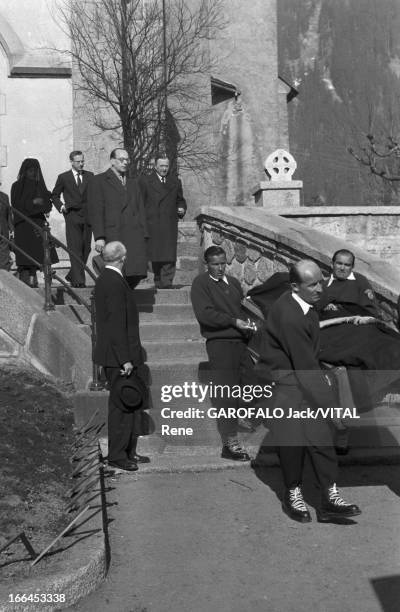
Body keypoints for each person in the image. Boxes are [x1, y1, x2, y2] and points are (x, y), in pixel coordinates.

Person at [258, 259, 361, 523]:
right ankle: (293, 494)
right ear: (295, 286)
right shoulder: (290, 316)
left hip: (302, 379)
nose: (319, 288)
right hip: (285, 386)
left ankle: (329, 498)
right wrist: (333, 408)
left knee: (320, 439)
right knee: (292, 443)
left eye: (320, 281)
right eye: (312, 284)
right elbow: (306, 369)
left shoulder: (304, 303)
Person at [190, 245, 254, 461]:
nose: (219, 268)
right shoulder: (202, 283)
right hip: (220, 343)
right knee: (226, 394)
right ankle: (230, 443)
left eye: (222, 263)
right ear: (207, 264)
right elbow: (205, 315)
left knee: (251, 384)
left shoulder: (234, 283)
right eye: (215, 264)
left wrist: (247, 321)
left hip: (241, 342)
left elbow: (242, 308)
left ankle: (240, 417)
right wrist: (232, 321)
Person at [94, 241, 150, 471]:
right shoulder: (114, 282)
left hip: (118, 354)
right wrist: (124, 358)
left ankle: (127, 451)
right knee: (122, 407)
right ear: (122, 258)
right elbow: (116, 324)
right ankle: (118, 455)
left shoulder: (108, 279)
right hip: (118, 357)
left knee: (128, 404)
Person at [88, 148, 148, 289]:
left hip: (134, 234)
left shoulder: (133, 183)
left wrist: (145, 233)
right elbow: (96, 211)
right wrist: (99, 236)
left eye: (127, 159)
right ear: (112, 161)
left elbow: (140, 209)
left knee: (135, 271)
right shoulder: (99, 181)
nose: (125, 162)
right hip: (113, 233)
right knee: (116, 272)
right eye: (122, 159)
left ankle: (126, 295)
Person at [139, 152, 186, 288]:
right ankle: (159, 280)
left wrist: (181, 208)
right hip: (152, 223)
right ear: (155, 166)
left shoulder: (175, 181)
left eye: (166, 166)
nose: (164, 169)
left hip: (169, 223)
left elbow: (180, 200)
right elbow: (140, 203)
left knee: (169, 254)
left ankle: (167, 282)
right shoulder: (145, 181)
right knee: (156, 254)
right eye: (161, 166)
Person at [11, 158, 58, 287]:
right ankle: (26, 281)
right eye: (29, 170)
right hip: (23, 224)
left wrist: (39, 204)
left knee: (40, 253)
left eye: (35, 170)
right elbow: (15, 205)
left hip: (37, 223)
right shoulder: (17, 186)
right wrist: (33, 202)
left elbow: (47, 205)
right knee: (25, 255)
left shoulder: (40, 186)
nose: (32, 173)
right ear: (24, 171)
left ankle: (35, 279)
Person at [52, 150, 94, 287]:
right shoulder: (64, 177)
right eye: (78, 161)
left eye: (82, 161)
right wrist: (62, 207)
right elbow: (54, 195)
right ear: (71, 162)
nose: (81, 164)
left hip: (87, 216)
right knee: (75, 248)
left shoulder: (90, 176)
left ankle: (72, 275)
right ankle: (78, 281)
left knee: (86, 248)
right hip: (72, 216)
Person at [318, 249, 378, 318]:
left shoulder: (360, 282)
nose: (342, 268)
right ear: (332, 264)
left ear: (352, 267)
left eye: (347, 265)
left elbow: (371, 312)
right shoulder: (322, 286)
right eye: (339, 263)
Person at [0, 183, 13, 270]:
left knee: (4, 250)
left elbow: (9, 213)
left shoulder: (4, 196)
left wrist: (11, 228)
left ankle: (4, 274)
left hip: (3, 227)